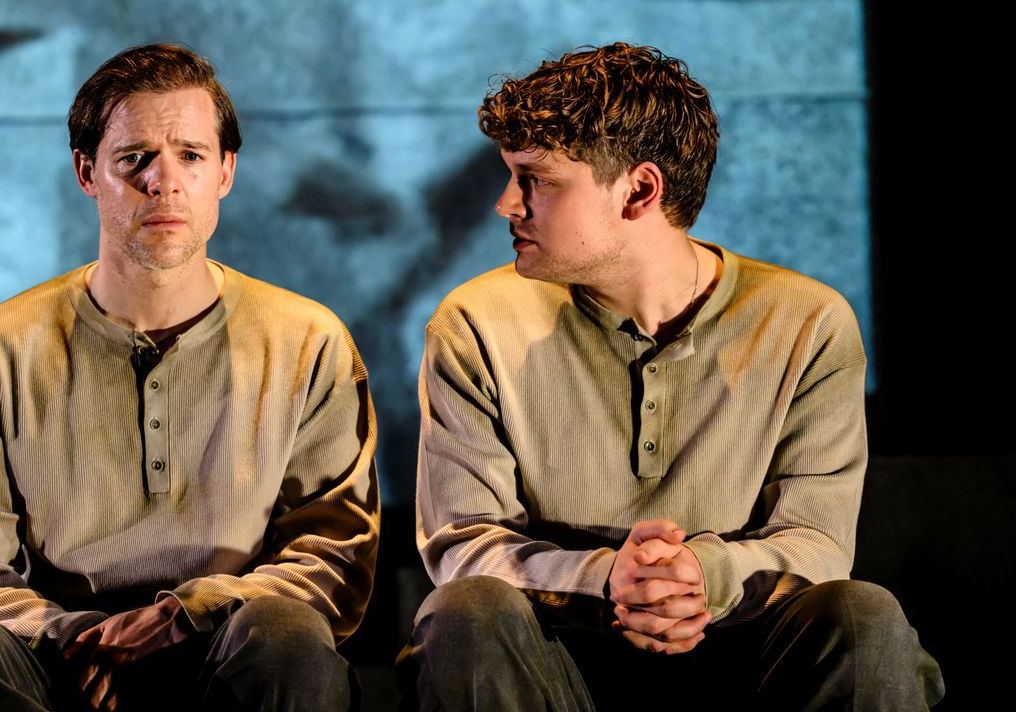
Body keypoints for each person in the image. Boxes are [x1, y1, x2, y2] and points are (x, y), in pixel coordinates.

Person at [397, 43, 943, 710]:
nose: (506, 204)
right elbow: (464, 543)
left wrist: (701, 574)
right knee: (466, 613)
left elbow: (818, 544)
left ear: (639, 190)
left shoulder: (809, 323)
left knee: (863, 616)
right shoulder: (474, 322)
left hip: (746, 661)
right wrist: (606, 578)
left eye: (536, 179)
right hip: (554, 661)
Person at [0, 44, 380, 712]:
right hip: (56, 669)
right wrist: (81, 639)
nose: (163, 182)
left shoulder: (310, 342)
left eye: (190, 156)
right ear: (87, 172)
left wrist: (184, 616)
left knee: (288, 636)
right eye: (135, 158)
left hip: (230, 653)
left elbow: (331, 556)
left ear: (226, 172)